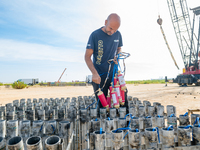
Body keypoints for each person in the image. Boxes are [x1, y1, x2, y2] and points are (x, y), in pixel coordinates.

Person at [85, 13, 128, 112]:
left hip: (113, 75)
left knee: (123, 99)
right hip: (99, 76)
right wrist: (94, 74)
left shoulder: (118, 34)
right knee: (103, 107)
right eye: (110, 28)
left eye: (115, 30)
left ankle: (125, 124)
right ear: (105, 22)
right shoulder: (95, 35)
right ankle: (104, 125)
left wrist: (118, 55)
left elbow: (119, 49)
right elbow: (87, 57)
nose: (112, 32)